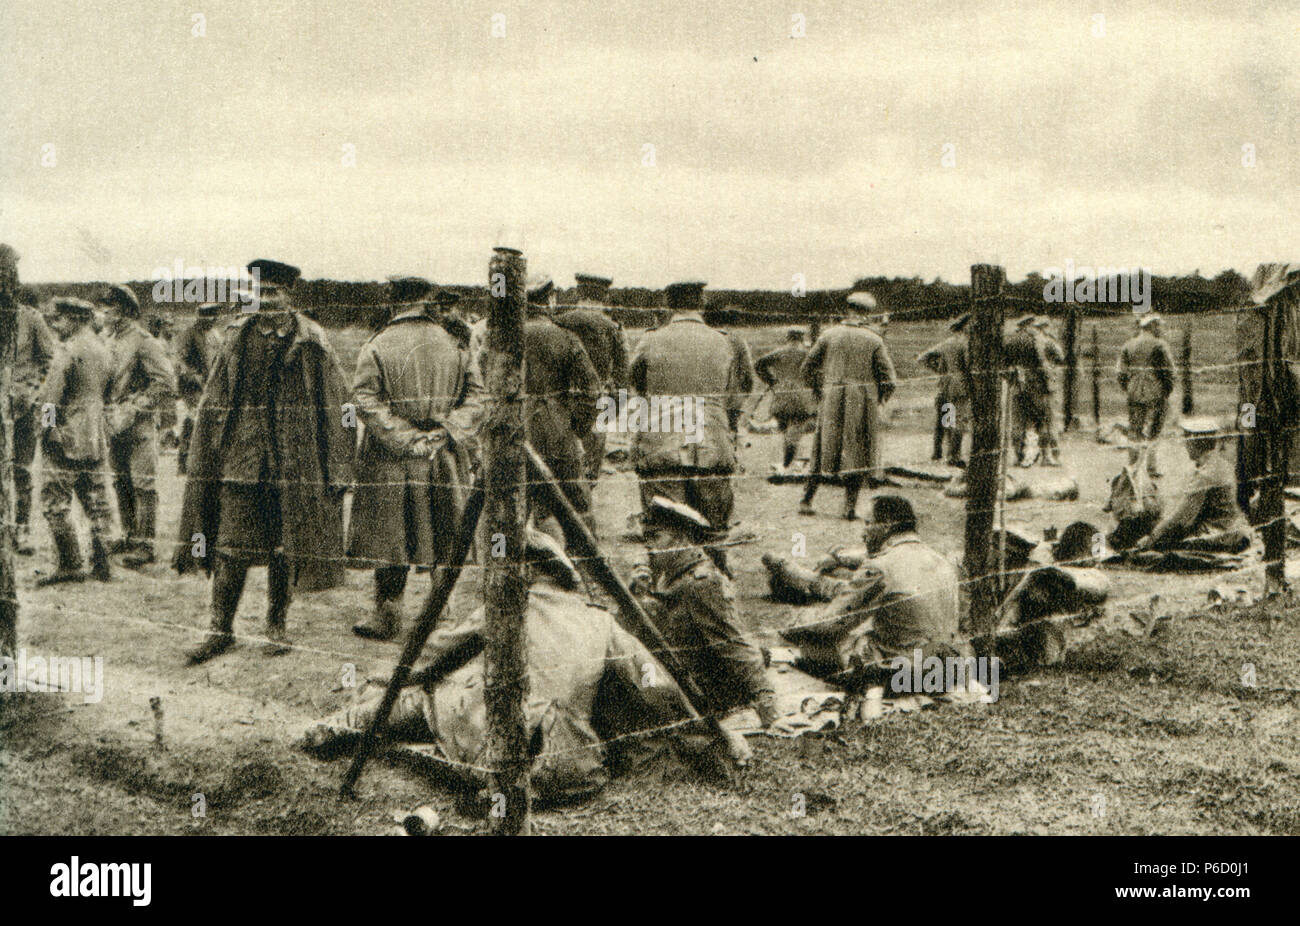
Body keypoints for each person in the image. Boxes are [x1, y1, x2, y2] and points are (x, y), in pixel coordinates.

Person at [299, 529, 750, 801]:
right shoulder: (600, 622)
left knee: (420, 698)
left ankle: (338, 724)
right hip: (562, 757)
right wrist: (713, 732)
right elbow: (657, 684)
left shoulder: (506, 607)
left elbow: (430, 656)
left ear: (529, 572)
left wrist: (383, 678)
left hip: (488, 736)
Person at [174, 259, 354, 664]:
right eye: (259, 291)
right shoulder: (236, 336)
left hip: (294, 463)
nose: (266, 299)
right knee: (230, 547)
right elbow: (213, 400)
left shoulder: (314, 339)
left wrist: (339, 465)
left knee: (283, 547)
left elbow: (339, 404)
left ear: (291, 296)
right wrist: (205, 453)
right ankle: (219, 628)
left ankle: (276, 624)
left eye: (274, 292)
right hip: (243, 458)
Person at [347, 277, 485, 641]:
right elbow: (477, 398)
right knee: (445, 527)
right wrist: (446, 431)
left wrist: (405, 437)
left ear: (396, 301)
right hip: (442, 452)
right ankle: (442, 613)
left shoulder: (376, 344)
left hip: (391, 456)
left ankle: (388, 611)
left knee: (393, 534)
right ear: (428, 301)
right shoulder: (456, 343)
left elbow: (363, 398)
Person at [776, 495, 964, 690]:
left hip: (905, 674)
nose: (863, 534)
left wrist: (796, 622)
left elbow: (832, 622)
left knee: (813, 642)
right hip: (947, 667)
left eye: (867, 524)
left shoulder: (879, 567)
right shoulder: (942, 561)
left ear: (887, 525)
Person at [629, 280, 754, 568]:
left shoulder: (651, 339)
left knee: (664, 526)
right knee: (713, 528)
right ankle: (715, 587)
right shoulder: (724, 341)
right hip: (712, 441)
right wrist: (721, 419)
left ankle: (668, 590)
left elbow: (636, 382)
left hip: (662, 441)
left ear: (669, 304)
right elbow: (738, 392)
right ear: (702, 302)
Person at [631, 496, 777, 726]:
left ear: (682, 539)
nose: (648, 547)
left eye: (656, 537)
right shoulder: (669, 572)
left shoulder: (702, 582)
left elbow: (735, 644)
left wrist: (766, 701)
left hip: (704, 690)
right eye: (645, 539)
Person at [33, 298, 114, 586]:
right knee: (96, 501)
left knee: (54, 500)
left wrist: (46, 430)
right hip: (95, 435)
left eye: (59, 319)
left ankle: (70, 563)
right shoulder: (102, 349)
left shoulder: (68, 351)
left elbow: (51, 397)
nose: (55, 326)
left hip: (65, 435)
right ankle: (103, 563)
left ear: (75, 319)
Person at [799, 291, 897, 519]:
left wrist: (820, 390)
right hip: (862, 403)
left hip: (831, 398)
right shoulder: (874, 339)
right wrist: (879, 399)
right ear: (868, 314)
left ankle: (806, 500)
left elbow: (806, 369)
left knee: (821, 446)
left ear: (848, 309)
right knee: (857, 451)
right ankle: (849, 507)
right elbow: (889, 379)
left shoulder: (828, 335)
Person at [522, 274, 602, 541]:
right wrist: (576, 427)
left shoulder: (502, 341)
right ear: (550, 299)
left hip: (515, 428)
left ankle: (509, 564)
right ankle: (585, 564)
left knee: (514, 502)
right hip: (558, 428)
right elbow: (592, 390)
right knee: (576, 503)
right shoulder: (565, 338)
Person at [1130, 417, 1252, 554]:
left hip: (1218, 534)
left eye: (1187, 439)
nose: (1185, 444)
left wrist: (1151, 539)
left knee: (1158, 540)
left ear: (1195, 442)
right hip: (1230, 530)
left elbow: (1181, 517)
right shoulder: (1219, 464)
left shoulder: (1206, 475)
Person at [555, 273, 629, 488]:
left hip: (562, 400)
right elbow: (622, 374)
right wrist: (616, 407)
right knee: (588, 473)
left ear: (578, 292)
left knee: (559, 468)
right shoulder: (611, 327)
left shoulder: (561, 321)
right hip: (596, 403)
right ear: (604, 295)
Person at [11, 288, 57, 556]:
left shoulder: (31, 318)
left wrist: (31, 391)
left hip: (21, 409)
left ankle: (21, 530)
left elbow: (50, 362)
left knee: (21, 471)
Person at [1117, 312, 1174, 477]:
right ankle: (1151, 467)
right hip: (1156, 392)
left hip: (1134, 393)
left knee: (1134, 429)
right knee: (1154, 430)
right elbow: (1169, 371)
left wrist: (1129, 387)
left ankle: (1133, 466)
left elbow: (1120, 373)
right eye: (1158, 325)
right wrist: (1166, 390)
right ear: (1152, 326)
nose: (1161, 328)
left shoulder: (1128, 345)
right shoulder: (1160, 345)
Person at [755, 328, 817, 472]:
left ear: (788, 338)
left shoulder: (779, 352)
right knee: (796, 429)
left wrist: (771, 381)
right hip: (801, 398)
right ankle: (790, 463)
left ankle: (789, 462)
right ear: (802, 338)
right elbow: (816, 372)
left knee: (786, 430)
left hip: (781, 395)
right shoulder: (807, 354)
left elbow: (758, 364)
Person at [174, 303, 226, 474]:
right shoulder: (189, 334)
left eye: (215, 314)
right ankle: (184, 460)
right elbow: (180, 363)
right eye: (210, 315)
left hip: (211, 386)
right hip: (193, 389)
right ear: (201, 316)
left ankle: (205, 462)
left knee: (210, 422)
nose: (214, 318)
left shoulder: (216, 335)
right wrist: (193, 376)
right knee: (193, 421)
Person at [1004, 315, 1062, 467]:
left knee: (1018, 422)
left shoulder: (1011, 340)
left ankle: (1018, 456)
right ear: (1030, 325)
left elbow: (1003, 365)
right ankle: (1046, 456)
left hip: (1018, 386)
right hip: (1039, 386)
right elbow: (1059, 356)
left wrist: (1011, 378)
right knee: (1044, 420)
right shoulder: (1041, 340)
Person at [916, 313, 972, 467]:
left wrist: (939, 370)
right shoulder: (966, 344)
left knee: (947, 419)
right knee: (959, 420)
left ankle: (938, 453)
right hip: (960, 385)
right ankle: (954, 456)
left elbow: (922, 358)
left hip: (945, 384)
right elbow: (969, 367)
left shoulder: (947, 343)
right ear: (965, 327)